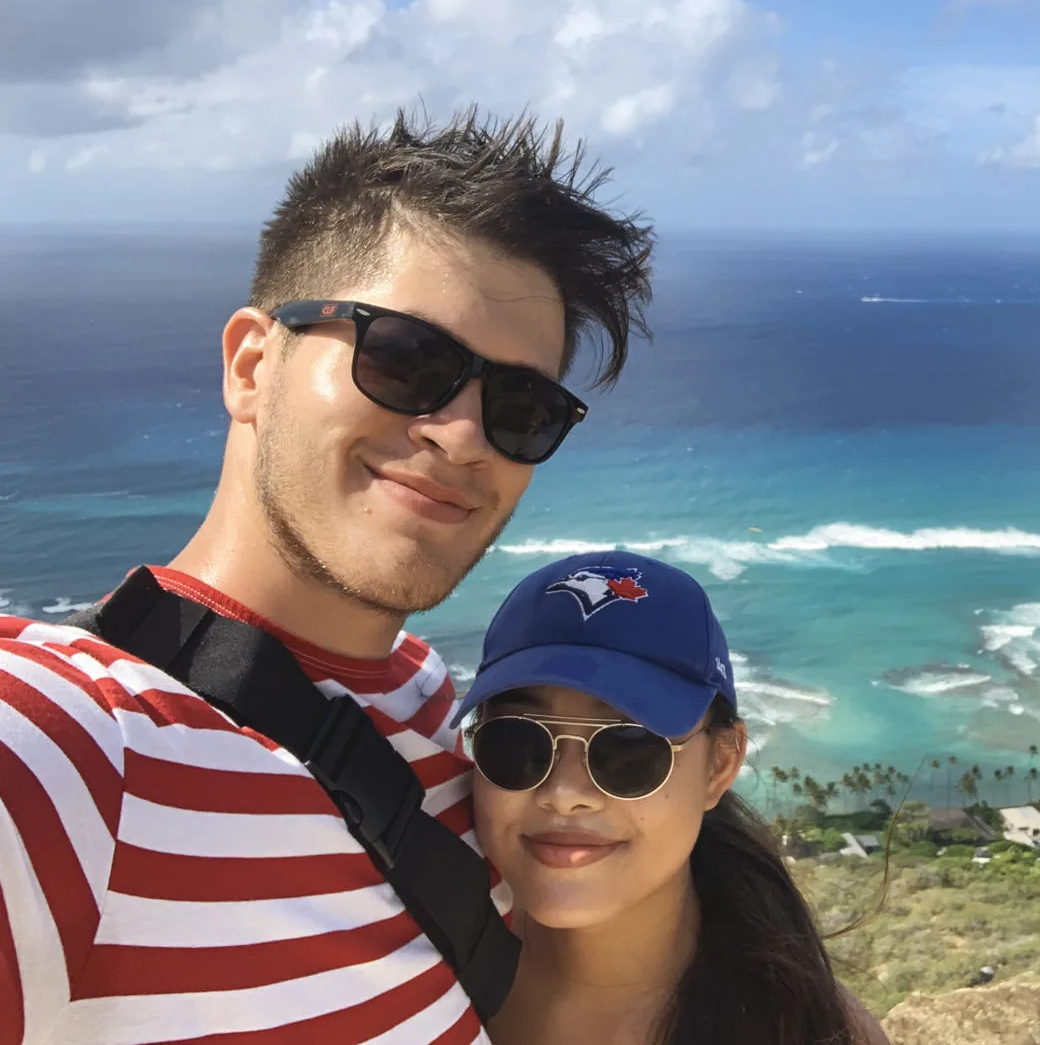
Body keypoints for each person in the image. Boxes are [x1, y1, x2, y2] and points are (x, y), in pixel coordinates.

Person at [0, 109, 653, 1044]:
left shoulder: (442, 706)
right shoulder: (71, 756)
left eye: (522, 404)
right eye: (405, 357)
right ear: (251, 363)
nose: (462, 434)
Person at [454, 551, 891, 1045]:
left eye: (630, 748)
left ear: (719, 765)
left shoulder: (808, 1029)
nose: (565, 793)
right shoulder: (415, 971)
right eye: (517, 741)